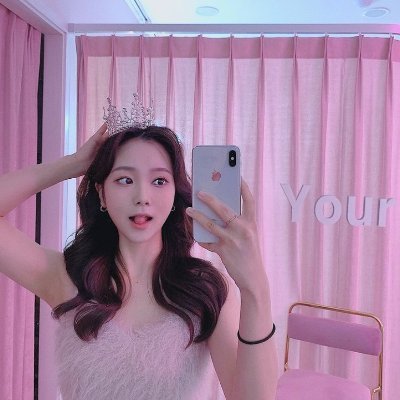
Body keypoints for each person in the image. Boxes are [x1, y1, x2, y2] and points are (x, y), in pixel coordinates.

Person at [0, 123, 278, 400]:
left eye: (159, 181)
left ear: (174, 194)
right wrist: (72, 164)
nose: (142, 197)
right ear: (102, 194)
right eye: (125, 180)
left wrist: (255, 288)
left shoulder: (206, 290)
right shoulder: (68, 276)